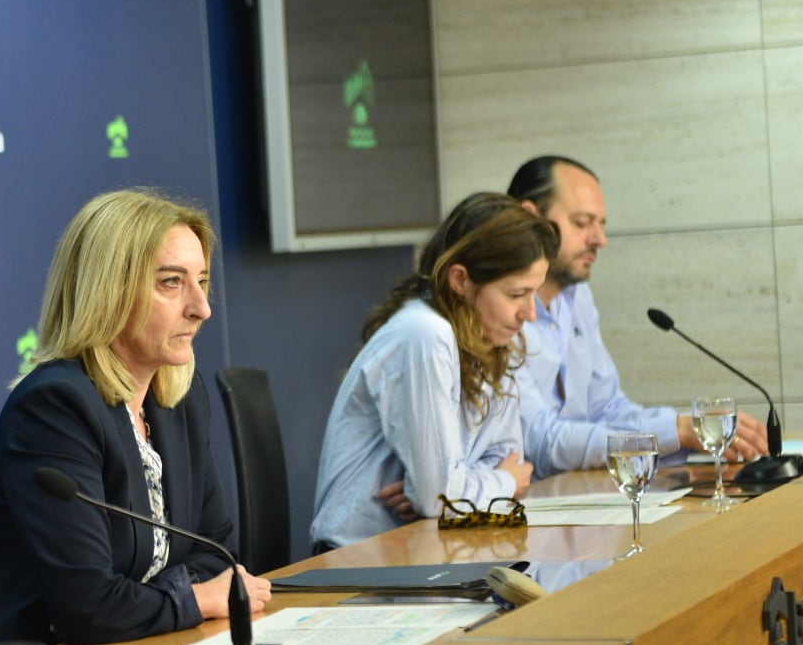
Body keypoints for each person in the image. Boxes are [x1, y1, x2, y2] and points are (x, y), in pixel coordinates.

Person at [0, 190, 268, 645]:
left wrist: (175, 598)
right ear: (109, 290)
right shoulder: (56, 406)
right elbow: (88, 607)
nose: (201, 308)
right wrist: (193, 599)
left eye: (202, 282)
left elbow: (217, 555)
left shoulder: (179, 397)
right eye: (172, 283)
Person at [310, 194, 560, 549]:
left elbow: (507, 459)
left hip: (433, 547)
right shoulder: (424, 333)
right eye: (517, 293)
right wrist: (492, 485)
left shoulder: (489, 337)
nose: (530, 313)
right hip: (360, 565)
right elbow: (444, 496)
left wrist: (451, 490)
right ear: (460, 279)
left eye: (534, 293)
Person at [506, 156, 769, 475]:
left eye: (601, 225)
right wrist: (676, 432)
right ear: (530, 217)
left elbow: (607, 408)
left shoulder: (578, 297)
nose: (599, 239)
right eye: (581, 222)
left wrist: (683, 426)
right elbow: (539, 442)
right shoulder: (501, 312)